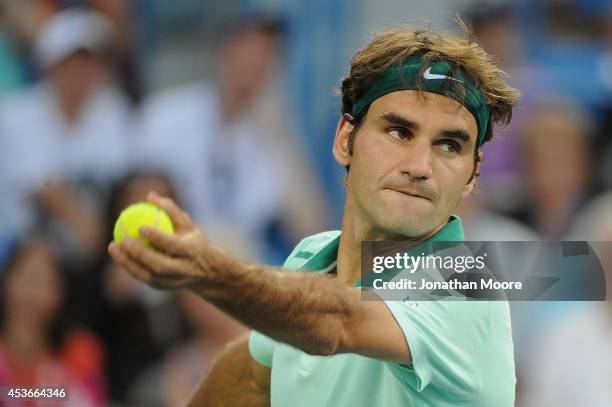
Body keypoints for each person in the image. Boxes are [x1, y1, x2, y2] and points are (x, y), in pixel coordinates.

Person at [109, 23, 520, 406]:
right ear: (345, 140)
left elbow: (336, 322)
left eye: (449, 145)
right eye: (399, 132)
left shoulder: (467, 281)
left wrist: (208, 271)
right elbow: (251, 374)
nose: (419, 166)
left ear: (472, 174)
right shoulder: (312, 255)